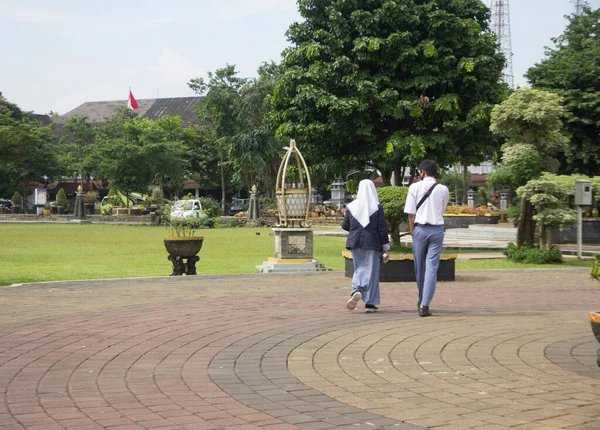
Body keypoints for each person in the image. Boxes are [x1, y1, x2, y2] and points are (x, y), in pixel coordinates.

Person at [404, 160, 449, 317]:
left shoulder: (414, 187)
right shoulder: (443, 189)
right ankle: (425, 304)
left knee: (419, 267)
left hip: (420, 229)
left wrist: (413, 231)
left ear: (422, 172)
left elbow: (411, 213)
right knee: (432, 268)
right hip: (437, 230)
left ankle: (421, 297)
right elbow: (442, 209)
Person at [342, 179, 390, 313]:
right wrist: (385, 248)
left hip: (355, 242)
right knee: (372, 272)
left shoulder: (351, 206)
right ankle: (369, 303)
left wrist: (355, 228)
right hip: (372, 242)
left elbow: (345, 225)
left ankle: (357, 289)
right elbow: (382, 229)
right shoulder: (376, 207)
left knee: (359, 268)